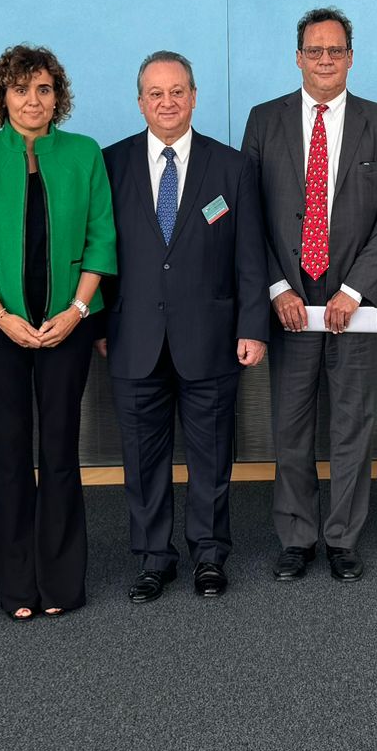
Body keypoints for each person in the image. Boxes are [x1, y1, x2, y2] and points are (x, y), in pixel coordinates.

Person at [0, 44, 116, 619]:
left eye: (43, 89)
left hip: (69, 322)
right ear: (3, 96)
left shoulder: (84, 154)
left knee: (62, 450)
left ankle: (63, 582)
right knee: (13, 452)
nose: (32, 100)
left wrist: (76, 310)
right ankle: (17, 585)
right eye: (21, 89)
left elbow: (101, 238)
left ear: (57, 97)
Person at [241, 7, 377, 582]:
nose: (325, 60)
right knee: (289, 426)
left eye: (335, 51)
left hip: (353, 307)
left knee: (351, 423)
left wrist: (356, 290)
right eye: (314, 51)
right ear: (298, 57)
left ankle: (341, 538)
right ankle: (296, 537)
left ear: (351, 57)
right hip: (289, 303)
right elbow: (251, 217)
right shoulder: (263, 121)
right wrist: (277, 287)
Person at [100, 51, 269, 602]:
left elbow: (250, 256)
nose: (167, 102)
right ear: (140, 101)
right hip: (132, 339)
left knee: (212, 456)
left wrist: (253, 326)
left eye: (178, 92)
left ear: (194, 97)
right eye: (156, 93)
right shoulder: (111, 164)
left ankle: (210, 555)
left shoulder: (231, 166)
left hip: (212, 337)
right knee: (142, 461)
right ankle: (153, 558)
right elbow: (96, 253)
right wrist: (98, 325)